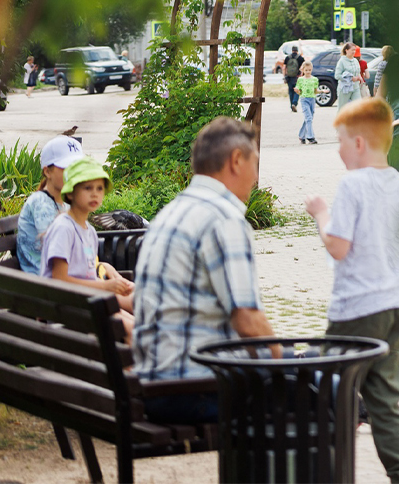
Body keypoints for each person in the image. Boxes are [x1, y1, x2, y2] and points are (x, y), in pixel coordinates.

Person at [134, 118, 279, 424]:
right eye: (255, 163)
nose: (255, 177)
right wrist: (283, 366)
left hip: (154, 382)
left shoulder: (173, 210)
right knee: (324, 390)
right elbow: (248, 321)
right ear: (236, 160)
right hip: (194, 389)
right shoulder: (223, 219)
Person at [305, 98, 399, 482]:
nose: (337, 150)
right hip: (395, 304)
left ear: (357, 143)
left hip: (356, 309)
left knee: (326, 393)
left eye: (339, 141)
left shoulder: (353, 184)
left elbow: (338, 246)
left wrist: (321, 214)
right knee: (385, 402)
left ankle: (326, 474)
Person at [42, 157, 136, 335]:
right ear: (70, 194)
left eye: (99, 188)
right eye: (87, 188)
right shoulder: (64, 228)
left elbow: (89, 271)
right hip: (66, 306)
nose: (95, 194)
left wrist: (119, 283)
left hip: (88, 300)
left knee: (139, 326)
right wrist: (106, 287)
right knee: (133, 330)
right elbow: (59, 280)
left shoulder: (90, 232)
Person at [17, 135, 83, 276]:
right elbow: (57, 249)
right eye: (67, 168)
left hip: (63, 276)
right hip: (45, 283)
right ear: (47, 171)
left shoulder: (65, 202)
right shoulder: (41, 204)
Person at [335, 42, 364, 109]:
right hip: (344, 89)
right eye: (352, 50)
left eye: (355, 50)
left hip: (355, 87)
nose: (354, 52)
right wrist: (350, 78)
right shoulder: (342, 61)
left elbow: (357, 72)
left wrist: (360, 77)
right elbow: (337, 75)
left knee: (359, 107)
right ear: (346, 50)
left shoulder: (355, 61)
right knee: (342, 108)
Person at [297, 61, 319, 144]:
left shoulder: (315, 79)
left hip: (312, 99)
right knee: (308, 118)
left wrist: (322, 91)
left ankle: (301, 135)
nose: (308, 72)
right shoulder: (300, 79)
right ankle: (310, 137)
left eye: (309, 70)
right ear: (303, 70)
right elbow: (299, 91)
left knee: (308, 118)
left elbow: (315, 91)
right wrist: (297, 91)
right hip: (304, 99)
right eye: (306, 70)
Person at [283, 46, 305, 112]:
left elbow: (284, 67)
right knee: (297, 90)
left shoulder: (287, 57)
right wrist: (301, 75)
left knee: (290, 91)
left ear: (292, 50)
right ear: (297, 50)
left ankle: (291, 105)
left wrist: (285, 76)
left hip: (289, 77)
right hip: (297, 76)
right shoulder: (300, 58)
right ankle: (294, 104)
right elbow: (303, 66)